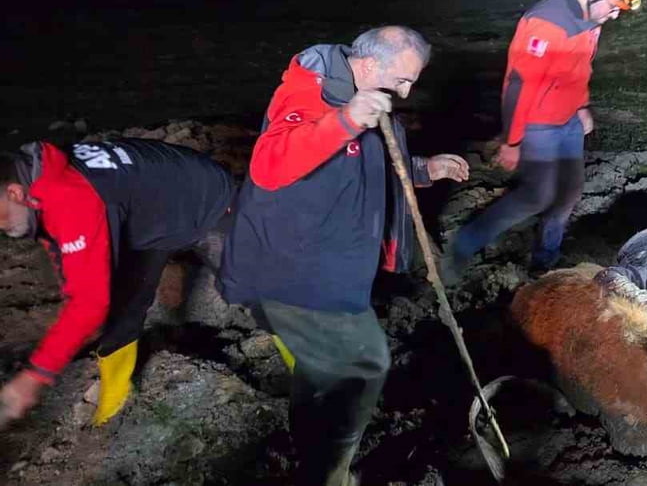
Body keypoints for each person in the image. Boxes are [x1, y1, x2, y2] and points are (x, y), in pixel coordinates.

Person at [217, 25, 469, 486]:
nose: (408, 92)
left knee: (320, 368)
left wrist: (422, 170)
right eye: (404, 80)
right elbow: (270, 166)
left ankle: (308, 446)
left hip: (334, 266)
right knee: (365, 362)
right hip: (292, 269)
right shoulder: (309, 96)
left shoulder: (363, 97)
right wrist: (347, 119)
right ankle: (327, 474)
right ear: (370, 65)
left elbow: (363, 160)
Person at [0, 138, 233, 427]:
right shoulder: (34, 177)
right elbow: (69, 263)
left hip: (204, 195)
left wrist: (34, 376)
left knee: (255, 290)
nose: (2, 228)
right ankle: (113, 411)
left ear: (14, 192)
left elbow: (88, 304)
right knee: (122, 312)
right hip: (149, 214)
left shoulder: (69, 197)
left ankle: (303, 380)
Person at [444, 0, 641, 282]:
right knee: (537, 196)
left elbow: (580, 68)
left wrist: (581, 106)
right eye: (612, 5)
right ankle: (462, 246)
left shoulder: (591, 17)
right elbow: (518, 87)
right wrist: (512, 140)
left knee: (569, 193)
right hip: (537, 124)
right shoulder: (545, 24)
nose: (615, 14)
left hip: (568, 121)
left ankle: (545, 263)